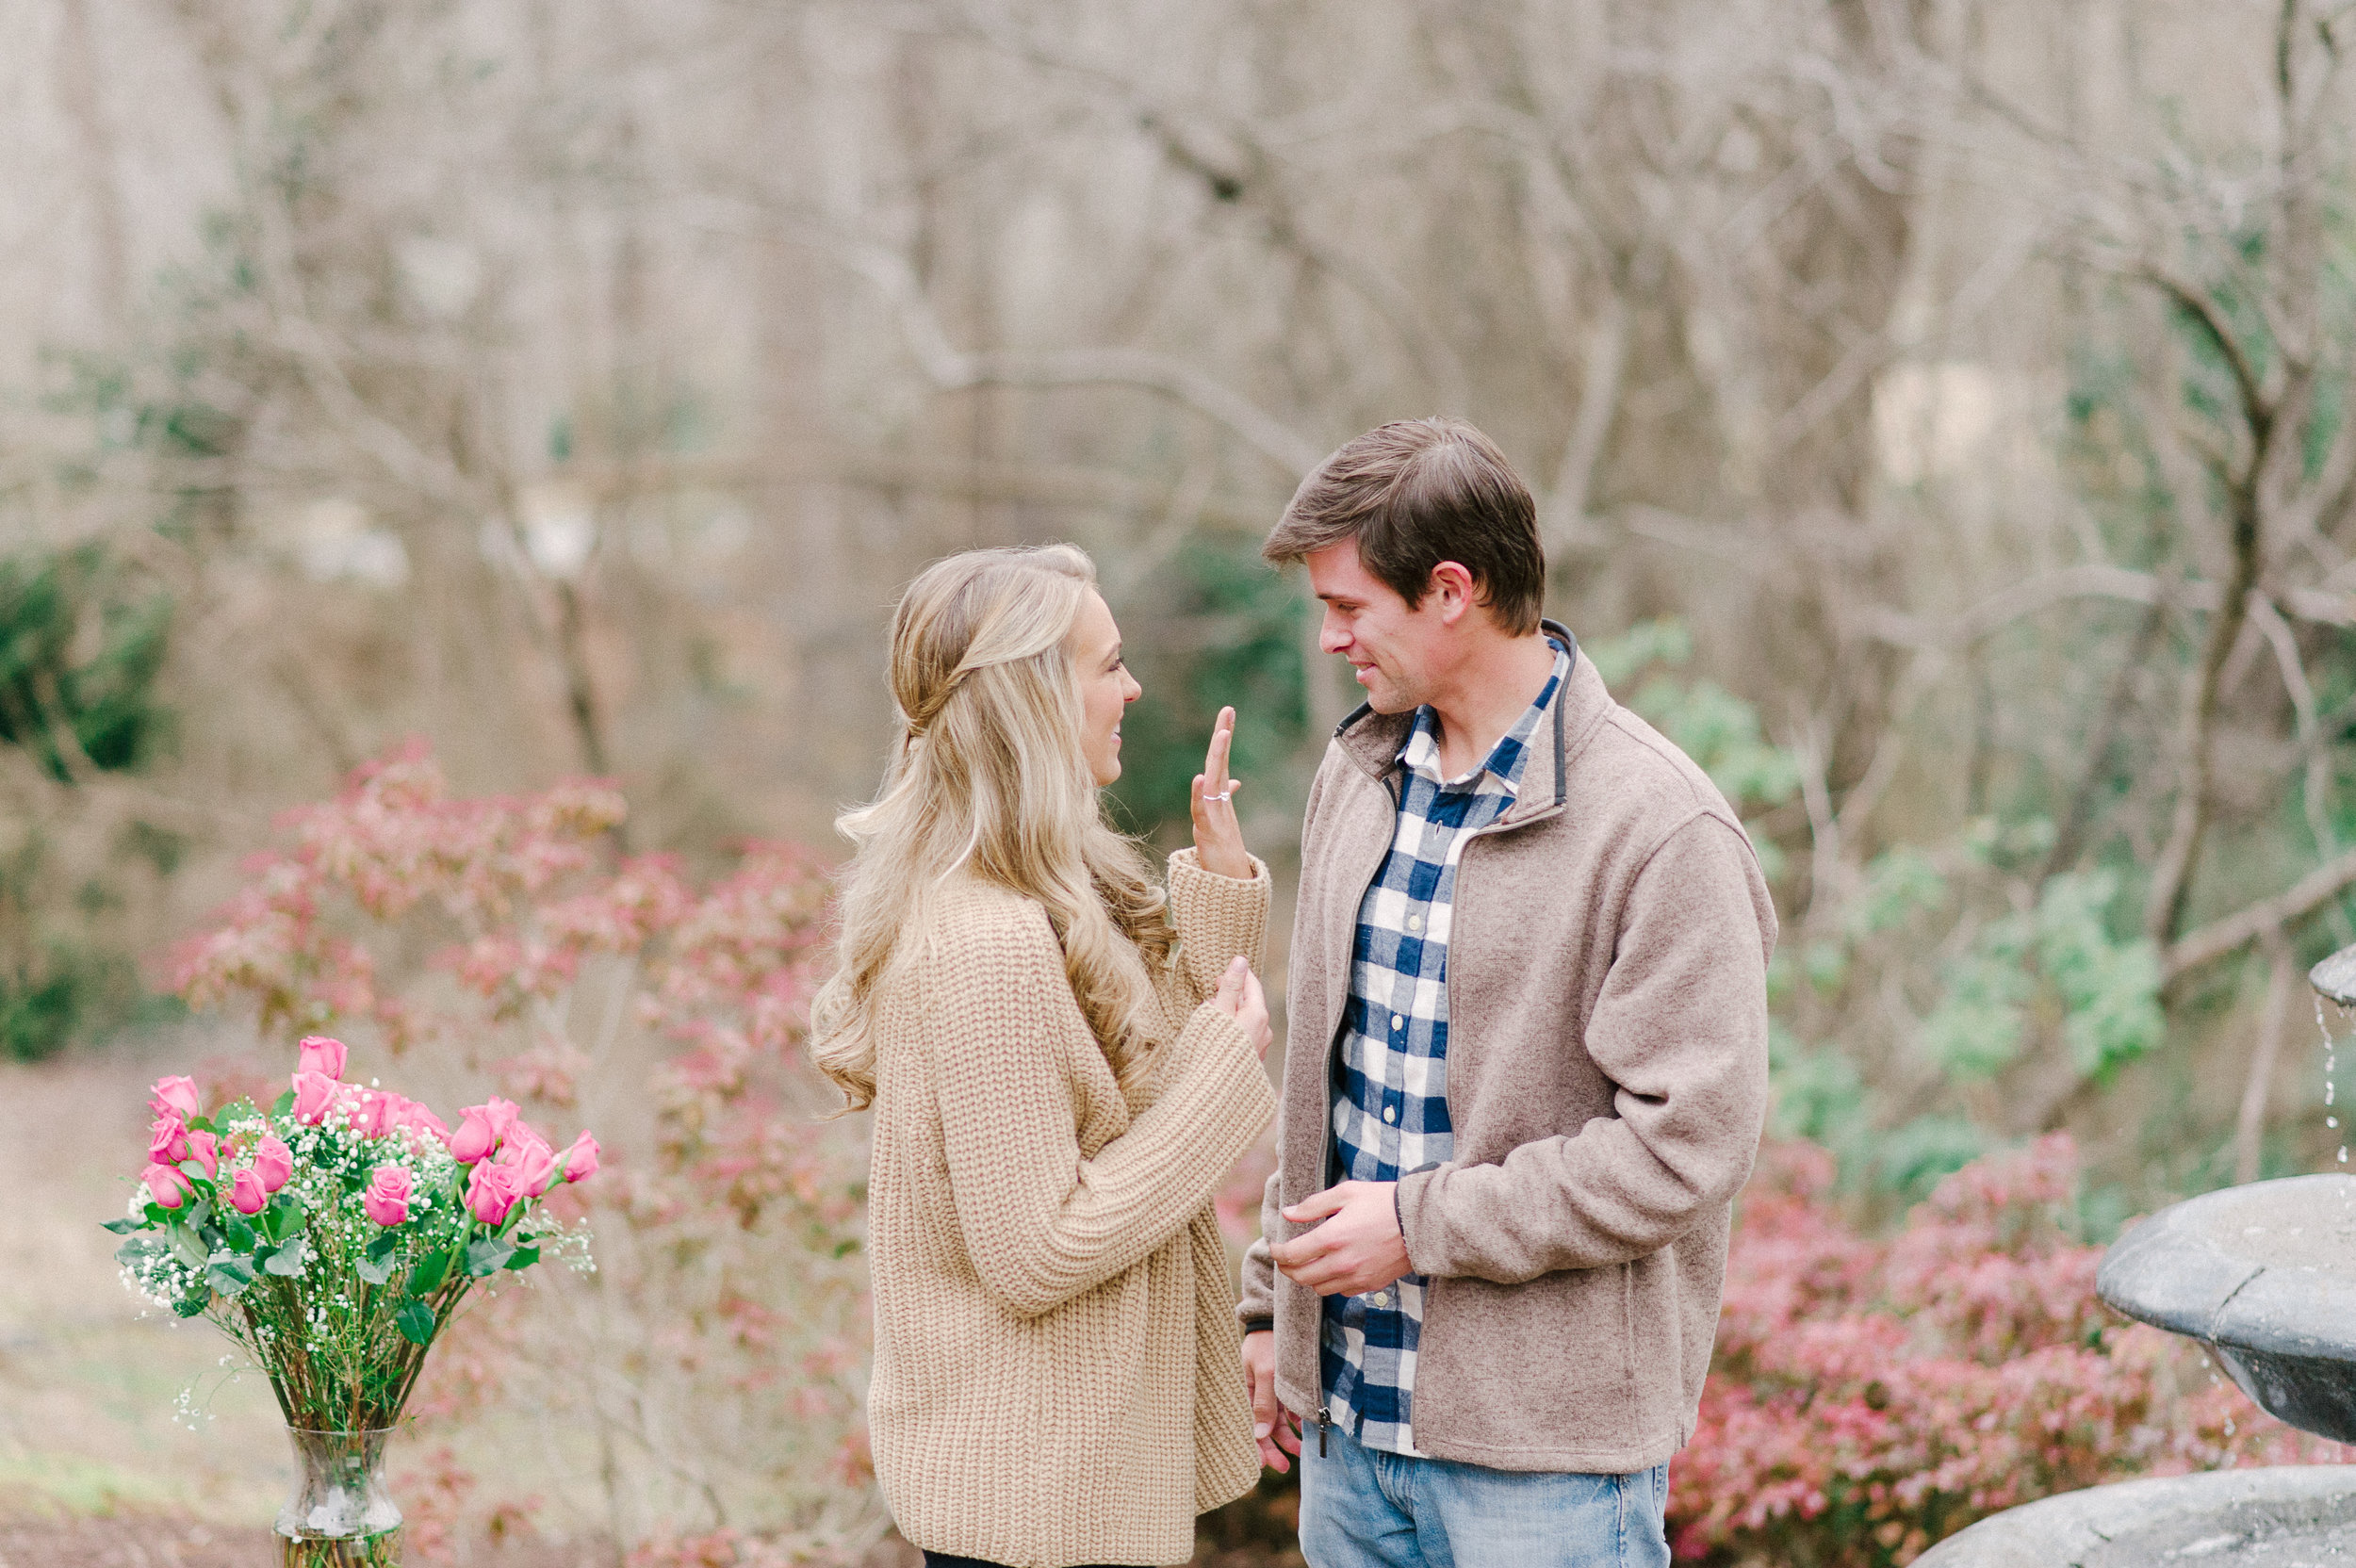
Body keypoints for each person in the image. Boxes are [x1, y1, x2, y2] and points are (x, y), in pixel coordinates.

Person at [1236, 419, 1777, 1568]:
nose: (1328, 640)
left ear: (1449, 590)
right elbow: (1330, 1081)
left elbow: (1685, 1149)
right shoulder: (1360, 775)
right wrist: (1266, 1307)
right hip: (1347, 1436)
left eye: (1348, 608)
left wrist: (1417, 1226)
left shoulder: (1660, 828)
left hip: (1547, 1477)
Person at [810, 544, 1280, 1568]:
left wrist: (1220, 882)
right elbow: (1038, 1250)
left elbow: (1133, 1093)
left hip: (1064, 1488)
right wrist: (1224, 1073)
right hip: (1038, 1512)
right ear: (1032, 696)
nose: (1133, 686)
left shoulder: (1029, 896)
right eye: (1107, 663)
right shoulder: (988, 944)